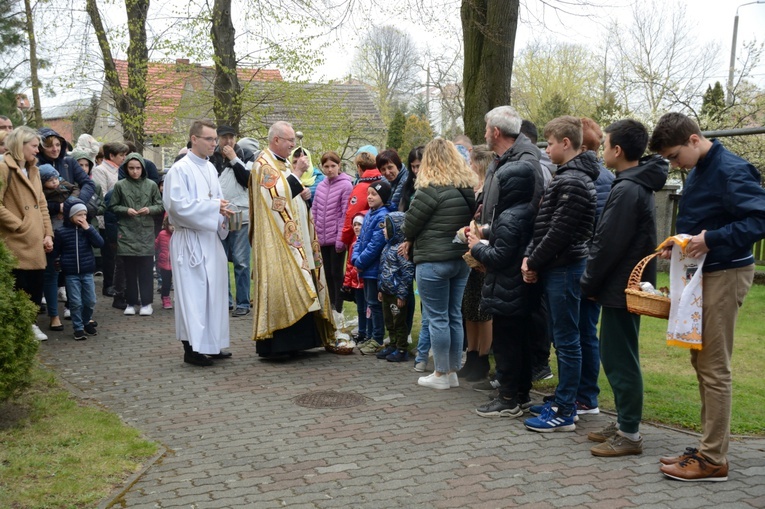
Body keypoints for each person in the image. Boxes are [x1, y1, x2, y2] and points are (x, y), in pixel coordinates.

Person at [649, 112, 765, 481]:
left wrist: (709, 240)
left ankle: (714, 459)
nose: (672, 163)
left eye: (672, 155)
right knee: (701, 363)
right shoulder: (699, 168)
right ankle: (705, 447)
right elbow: (705, 220)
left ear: (694, 140)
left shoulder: (731, 169)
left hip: (726, 273)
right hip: (705, 274)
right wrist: (680, 244)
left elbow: (759, 219)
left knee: (714, 367)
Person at [580, 119, 668, 456]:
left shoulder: (629, 188)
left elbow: (607, 245)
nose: (602, 150)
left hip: (623, 289)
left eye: (604, 144)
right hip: (621, 287)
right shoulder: (631, 184)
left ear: (617, 150)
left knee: (621, 359)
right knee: (614, 355)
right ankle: (622, 424)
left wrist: (588, 282)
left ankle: (629, 434)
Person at [522, 116, 597, 432]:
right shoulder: (566, 177)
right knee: (564, 337)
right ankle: (564, 398)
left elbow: (559, 232)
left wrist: (532, 261)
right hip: (557, 266)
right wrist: (532, 257)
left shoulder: (574, 181)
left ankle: (566, 409)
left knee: (567, 340)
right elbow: (546, 227)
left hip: (565, 268)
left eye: (550, 143)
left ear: (566, 143)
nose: (547, 149)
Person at [248, 120, 334, 356]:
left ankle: (301, 342)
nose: (293, 146)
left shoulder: (281, 163)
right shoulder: (263, 164)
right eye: (290, 142)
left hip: (293, 237)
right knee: (286, 284)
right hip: (276, 242)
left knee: (303, 280)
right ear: (276, 140)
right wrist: (296, 174)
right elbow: (275, 198)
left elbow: (288, 193)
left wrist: (301, 193)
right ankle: (280, 345)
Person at [468, 139, 537, 417]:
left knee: (507, 346)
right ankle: (521, 394)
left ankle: (507, 397)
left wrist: (476, 246)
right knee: (520, 344)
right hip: (520, 292)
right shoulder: (526, 211)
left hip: (508, 291)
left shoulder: (509, 216)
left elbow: (500, 256)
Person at [405, 138, 477, 390]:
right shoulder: (466, 188)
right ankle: (453, 371)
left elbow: (409, 225)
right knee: (454, 315)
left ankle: (440, 374)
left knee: (437, 318)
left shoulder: (429, 190)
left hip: (433, 261)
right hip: (459, 260)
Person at [163, 119, 233, 366]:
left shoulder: (211, 168)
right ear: (194, 139)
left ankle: (211, 344)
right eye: (210, 139)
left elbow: (218, 199)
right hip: (189, 240)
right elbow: (176, 207)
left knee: (213, 294)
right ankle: (191, 348)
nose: (215, 143)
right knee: (193, 296)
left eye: (215, 139)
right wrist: (214, 207)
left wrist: (223, 213)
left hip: (209, 239)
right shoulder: (179, 170)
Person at [573, 117, 616, 417]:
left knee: (583, 332)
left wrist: (592, 277)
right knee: (580, 331)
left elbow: (599, 233)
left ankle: (586, 396)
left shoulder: (596, 179)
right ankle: (580, 392)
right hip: (587, 266)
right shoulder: (604, 177)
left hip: (585, 268)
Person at [38, 128, 96, 331]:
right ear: (40, 146)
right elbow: (35, 197)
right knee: (52, 270)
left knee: (74, 267)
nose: (54, 149)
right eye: (49, 145)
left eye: (58, 144)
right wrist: (57, 207)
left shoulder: (69, 162)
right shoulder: (35, 165)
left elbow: (88, 183)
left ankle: (78, 312)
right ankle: (54, 315)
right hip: (47, 224)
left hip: (71, 224)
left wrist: (74, 205)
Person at [0, 126, 53, 341]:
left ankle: (30, 325)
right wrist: (18, 225)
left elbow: (42, 204)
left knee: (35, 287)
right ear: (19, 145)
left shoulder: (35, 170)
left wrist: (48, 233)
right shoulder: (4, 168)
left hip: (36, 241)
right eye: (33, 146)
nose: (37, 151)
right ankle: (21, 330)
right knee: (19, 286)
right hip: (15, 240)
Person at [109, 153, 163, 316]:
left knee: (146, 270)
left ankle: (146, 303)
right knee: (129, 270)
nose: (134, 171)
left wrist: (149, 209)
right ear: (126, 168)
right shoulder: (120, 186)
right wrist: (126, 210)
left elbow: (160, 205)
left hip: (145, 231)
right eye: (131, 168)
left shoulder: (151, 185)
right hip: (127, 231)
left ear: (143, 168)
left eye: (138, 168)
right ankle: (131, 302)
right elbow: (113, 206)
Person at [209, 125, 255, 317]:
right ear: (218, 139)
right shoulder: (211, 158)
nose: (228, 141)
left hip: (239, 214)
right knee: (220, 260)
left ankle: (243, 303)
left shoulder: (246, 155)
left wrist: (234, 160)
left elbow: (248, 181)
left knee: (241, 261)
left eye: (231, 137)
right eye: (224, 137)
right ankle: (225, 301)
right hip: (218, 214)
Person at [457, 144, 494, 382]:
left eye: (471, 162)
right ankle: (470, 353)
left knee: (484, 310)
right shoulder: (474, 188)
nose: (469, 166)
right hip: (470, 250)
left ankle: (482, 357)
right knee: (469, 307)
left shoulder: (489, 187)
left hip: (484, 251)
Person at [52, 199, 104, 340]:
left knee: (90, 300)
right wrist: (55, 261)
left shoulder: (86, 230)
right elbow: (55, 252)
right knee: (75, 302)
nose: (82, 218)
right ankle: (78, 328)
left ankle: (86, 321)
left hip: (87, 271)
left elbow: (99, 243)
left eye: (84, 215)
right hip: (71, 273)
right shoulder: (61, 232)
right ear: (70, 216)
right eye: (79, 215)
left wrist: (89, 229)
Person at [352, 180, 390, 354]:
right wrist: (355, 258)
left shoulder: (383, 216)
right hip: (366, 269)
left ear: (383, 196)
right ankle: (370, 336)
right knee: (369, 303)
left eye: (374, 194)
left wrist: (360, 262)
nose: (369, 197)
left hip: (374, 270)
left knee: (375, 304)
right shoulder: (368, 214)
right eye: (368, 193)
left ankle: (377, 338)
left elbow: (375, 245)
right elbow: (360, 240)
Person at [313, 151, 353, 313]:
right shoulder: (322, 185)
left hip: (336, 238)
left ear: (339, 166)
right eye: (326, 166)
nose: (329, 170)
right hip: (322, 238)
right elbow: (315, 210)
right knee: (327, 273)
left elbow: (345, 214)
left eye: (333, 166)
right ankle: (330, 305)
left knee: (337, 273)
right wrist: (314, 235)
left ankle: (339, 307)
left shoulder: (346, 185)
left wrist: (341, 239)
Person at [91, 141, 129, 300]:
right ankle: (108, 285)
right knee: (109, 254)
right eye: (121, 155)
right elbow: (104, 194)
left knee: (117, 255)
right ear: (111, 155)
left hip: (120, 218)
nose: (124, 158)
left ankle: (118, 284)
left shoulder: (121, 170)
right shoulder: (101, 170)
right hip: (106, 219)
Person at [375, 211, 414, 362]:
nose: (383, 230)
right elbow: (382, 270)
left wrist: (402, 294)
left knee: (399, 321)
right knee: (389, 321)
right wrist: (380, 288)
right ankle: (392, 344)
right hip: (386, 292)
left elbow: (407, 273)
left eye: (386, 227)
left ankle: (402, 348)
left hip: (396, 294)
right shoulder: (386, 248)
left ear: (396, 228)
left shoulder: (400, 250)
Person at [340, 150, 381, 249]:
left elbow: (352, 214)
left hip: (360, 236)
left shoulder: (361, 188)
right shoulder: (382, 183)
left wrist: (345, 238)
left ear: (359, 167)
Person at [342, 213, 367, 343]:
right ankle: (362, 332)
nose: (356, 227)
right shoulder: (352, 243)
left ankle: (367, 332)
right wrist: (347, 283)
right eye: (355, 225)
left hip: (364, 281)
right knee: (360, 309)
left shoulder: (366, 242)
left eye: (359, 225)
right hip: (355, 283)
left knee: (366, 308)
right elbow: (349, 265)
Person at [40, 164, 80, 230]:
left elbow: (75, 189)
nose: (54, 182)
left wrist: (70, 200)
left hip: (70, 207)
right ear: (43, 183)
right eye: (50, 180)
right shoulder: (43, 192)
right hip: (56, 214)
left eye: (56, 178)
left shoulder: (62, 183)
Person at [155, 214, 174, 310]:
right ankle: (165, 298)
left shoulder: (179, 235)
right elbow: (156, 245)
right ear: (166, 224)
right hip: (164, 264)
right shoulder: (162, 234)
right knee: (166, 283)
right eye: (171, 225)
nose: (173, 227)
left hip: (176, 264)